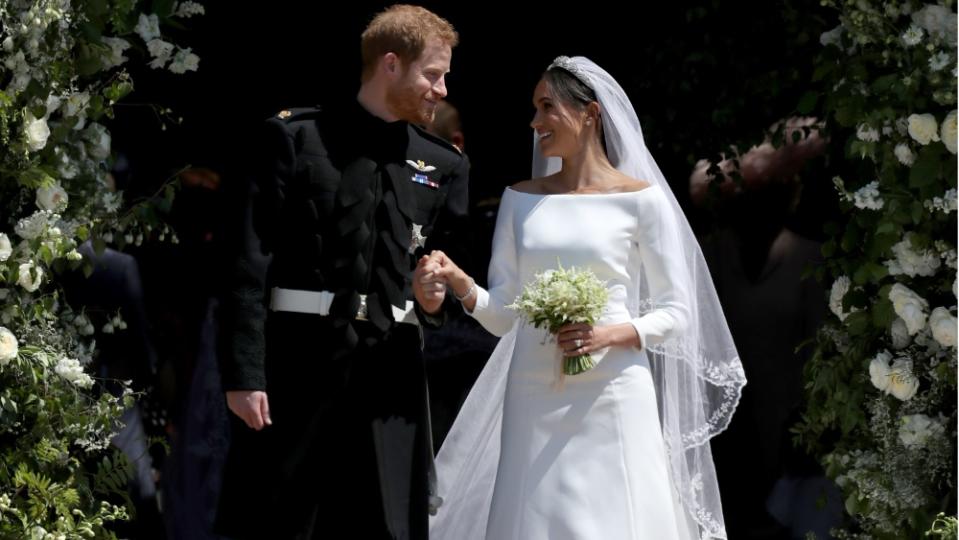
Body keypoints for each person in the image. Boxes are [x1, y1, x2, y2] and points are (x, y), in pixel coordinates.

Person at [420, 56, 746, 540]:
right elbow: (505, 315)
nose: (535, 122)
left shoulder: (642, 201)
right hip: (532, 390)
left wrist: (609, 334)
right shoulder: (519, 199)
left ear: (590, 113)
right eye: (534, 108)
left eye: (546, 107)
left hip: (612, 389)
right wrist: (463, 286)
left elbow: (677, 312)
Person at [214, 5, 469, 540]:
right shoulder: (294, 139)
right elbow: (246, 263)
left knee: (387, 525)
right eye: (433, 74)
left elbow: (442, 274)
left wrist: (432, 299)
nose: (442, 89)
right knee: (285, 520)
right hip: (299, 361)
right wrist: (244, 374)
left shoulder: (444, 164)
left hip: (392, 369)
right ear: (391, 64)